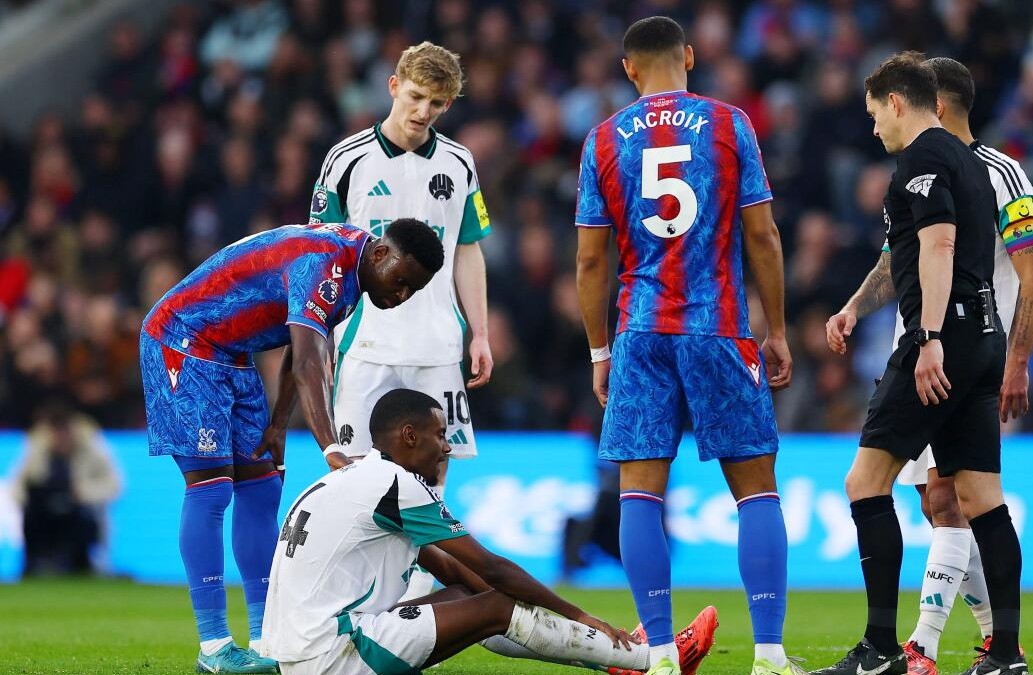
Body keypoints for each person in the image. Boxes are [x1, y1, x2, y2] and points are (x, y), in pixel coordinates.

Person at [575, 16, 801, 675]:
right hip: (718, 325)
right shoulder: (730, 124)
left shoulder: (602, 138)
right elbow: (763, 236)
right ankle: (769, 655)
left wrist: (599, 351)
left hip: (641, 330)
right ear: (691, 57)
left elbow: (590, 261)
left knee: (639, 492)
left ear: (628, 69)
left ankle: (659, 652)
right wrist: (777, 329)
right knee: (755, 489)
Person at [140, 218, 444, 674]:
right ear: (381, 254)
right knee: (211, 487)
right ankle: (214, 645)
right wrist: (332, 449)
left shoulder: (352, 274)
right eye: (401, 281)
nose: (401, 296)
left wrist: (279, 424)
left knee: (262, 486)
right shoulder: (325, 263)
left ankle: (265, 638)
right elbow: (307, 363)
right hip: (183, 339)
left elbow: (297, 344)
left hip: (232, 352)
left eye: (412, 291)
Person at [826, 57, 1033, 675]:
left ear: (922, 103)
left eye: (876, 113)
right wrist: (854, 308)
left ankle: (896, 647)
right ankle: (1002, 650)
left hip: (940, 344)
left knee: (874, 485)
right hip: (972, 337)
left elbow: (975, 255)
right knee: (970, 498)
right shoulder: (966, 168)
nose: (874, 128)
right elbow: (900, 254)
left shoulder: (956, 164)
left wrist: (935, 339)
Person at [261, 388, 718, 675]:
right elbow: (492, 567)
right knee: (496, 605)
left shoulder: (351, 478)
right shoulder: (395, 484)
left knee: (475, 599)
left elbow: (455, 572)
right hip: (334, 655)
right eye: (439, 435)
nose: (446, 447)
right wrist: (580, 615)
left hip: (300, 653)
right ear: (409, 435)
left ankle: (618, 658)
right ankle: (649, 660)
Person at [309, 41, 493, 601]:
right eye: (415, 97)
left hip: (437, 345)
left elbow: (468, 249)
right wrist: (320, 333)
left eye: (436, 104)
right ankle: (345, 591)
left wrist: (480, 332)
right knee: (351, 472)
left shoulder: (459, 163)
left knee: (433, 474)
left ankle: (411, 592)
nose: (422, 111)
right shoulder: (346, 160)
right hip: (364, 342)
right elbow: (319, 255)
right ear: (393, 86)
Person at [13, 398, 121, 577]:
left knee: (82, 521)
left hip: (79, 511)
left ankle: (82, 564)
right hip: (43, 513)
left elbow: (114, 485)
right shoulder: (37, 447)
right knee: (32, 517)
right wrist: (32, 499)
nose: (61, 437)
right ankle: (36, 563)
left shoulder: (93, 447)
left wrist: (82, 493)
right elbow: (18, 484)